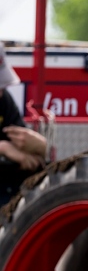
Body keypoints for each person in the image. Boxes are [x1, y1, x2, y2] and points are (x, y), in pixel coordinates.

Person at [0, 42, 47, 204]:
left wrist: (40, 146)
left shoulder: (4, 100)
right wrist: (3, 148)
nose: (1, 92)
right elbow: (9, 148)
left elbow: (27, 149)